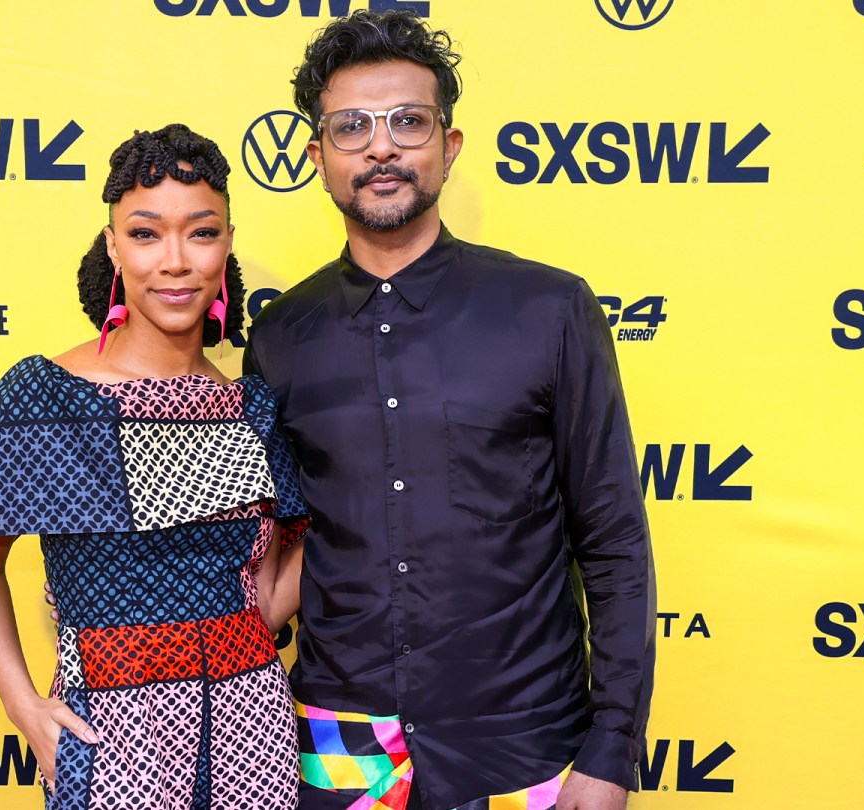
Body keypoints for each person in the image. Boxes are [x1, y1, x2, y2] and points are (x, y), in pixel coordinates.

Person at [242, 11, 656, 810]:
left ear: (449, 145)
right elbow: (275, 549)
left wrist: (612, 751)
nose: (382, 146)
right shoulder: (283, 335)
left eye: (408, 121)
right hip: (340, 740)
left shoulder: (549, 309)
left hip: (524, 737)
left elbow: (614, 545)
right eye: (351, 127)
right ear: (317, 156)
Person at [0, 123, 308, 809]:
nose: (175, 261)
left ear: (226, 243)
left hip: (253, 724)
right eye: (145, 234)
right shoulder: (44, 396)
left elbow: (268, 591)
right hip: (115, 729)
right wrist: (24, 707)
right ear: (113, 245)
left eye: (201, 233)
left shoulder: (251, 407)